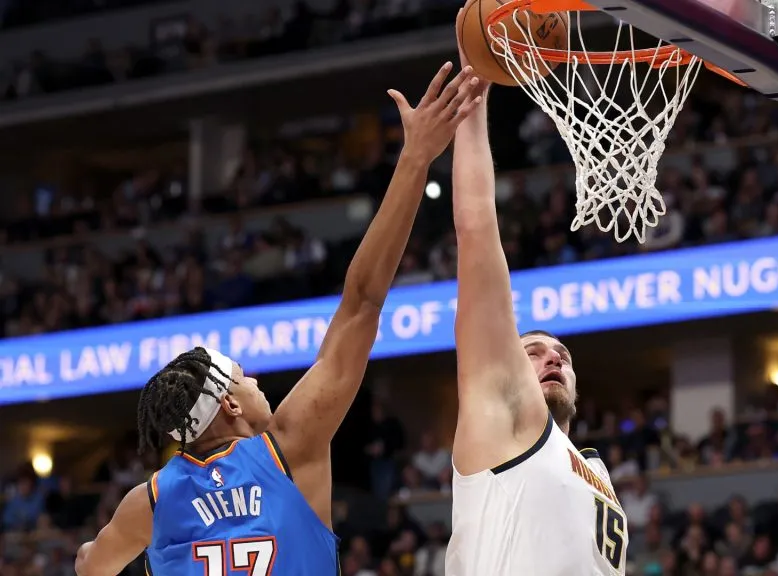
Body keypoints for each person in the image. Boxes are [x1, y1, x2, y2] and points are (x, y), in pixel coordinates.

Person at [73, 62, 483, 576]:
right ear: (228, 403)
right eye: (244, 377)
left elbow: (89, 565)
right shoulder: (290, 445)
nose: (257, 380)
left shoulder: (149, 502)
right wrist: (415, 159)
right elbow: (362, 301)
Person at [444, 20, 628, 576]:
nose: (554, 357)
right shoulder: (503, 414)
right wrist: (472, 100)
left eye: (562, 355)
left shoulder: (593, 470)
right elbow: (477, 232)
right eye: (534, 350)